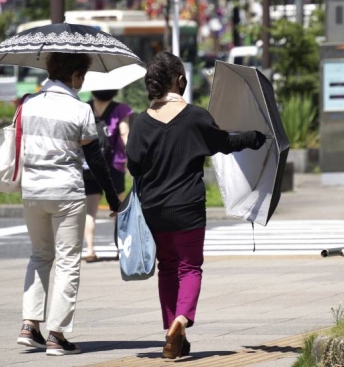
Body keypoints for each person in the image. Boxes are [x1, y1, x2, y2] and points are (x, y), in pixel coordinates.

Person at [126, 52, 266, 359]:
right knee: (189, 267)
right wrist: (254, 138)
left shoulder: (140, 122)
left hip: (155, 208)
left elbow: (134, 166)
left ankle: (172, 333)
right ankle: (180, 320)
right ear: (180, 80)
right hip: (187, 206)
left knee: (167, 267)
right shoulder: (196, 116)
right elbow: (225, 143)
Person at [16, 52, 121, 356]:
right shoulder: (80, 109)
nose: (83, 82)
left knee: (39, 255)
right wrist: (113, 198)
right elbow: (95, 159)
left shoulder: (28, 103)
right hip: (66, 193)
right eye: (83, 76)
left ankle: (29, 326)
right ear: (75, 75)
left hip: (32, 192)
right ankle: (56, 335)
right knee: (66, 261)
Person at [82, 89, 133, 263]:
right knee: (119, 210)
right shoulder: (121, 109)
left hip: (90, 165)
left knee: (90, 211)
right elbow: (125, 133)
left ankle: (89, 250)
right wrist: (134, 155)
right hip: (114, 165)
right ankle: (121, 249)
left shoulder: (84, 108)